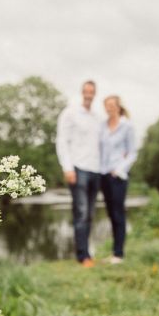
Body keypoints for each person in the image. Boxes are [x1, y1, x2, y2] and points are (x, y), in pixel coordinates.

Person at [56, 80, 101, 267]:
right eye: (86, 91)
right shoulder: (70, 113)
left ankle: (87, 252)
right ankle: (83, 256)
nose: (89, 94)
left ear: (95, 93)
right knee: (81, 212)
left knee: (90, 213)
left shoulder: (97, 117)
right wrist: (67, 167)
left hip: (96, 170)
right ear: (82, 92)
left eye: (92, 91)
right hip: (78, 168)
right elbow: (61, 141)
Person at [99, 95, 137, 264]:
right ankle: (115, 252)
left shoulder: (126, 126)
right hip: (104, 174)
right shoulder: (102, 127)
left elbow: (132, 153)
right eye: (106, 106)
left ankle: (119, 254)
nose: (109, 108)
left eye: (112, 105)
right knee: (110, 213)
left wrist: (119, 169)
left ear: (118, 107)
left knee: (118, 213)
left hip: (118, 176)